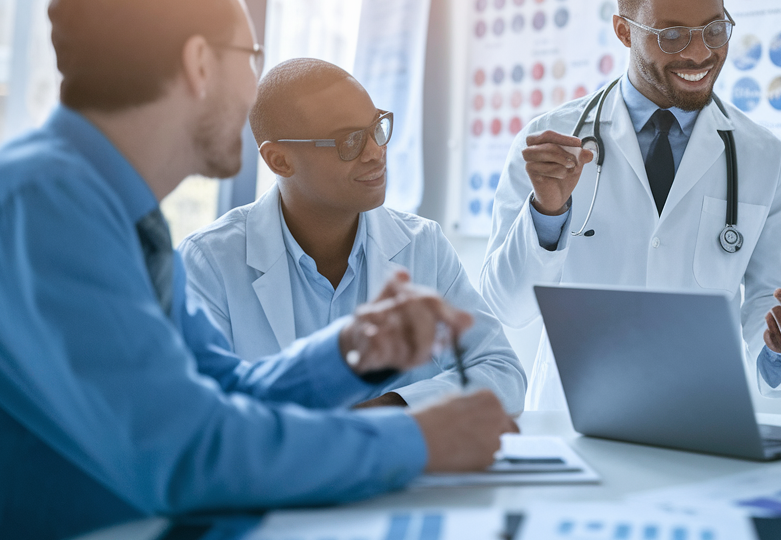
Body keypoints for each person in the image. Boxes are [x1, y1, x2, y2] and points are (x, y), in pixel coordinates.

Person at [0, 0, 516, 540]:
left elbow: (220, 387)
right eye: (250, 58)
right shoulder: (40, 204)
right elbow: (188, 449)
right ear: (198, 63)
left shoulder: (116, 209)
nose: (254, 89)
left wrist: (351, 353)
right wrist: (416, 443)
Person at [482, 0, 781, 409]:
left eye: (715, 29)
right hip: (575, 414)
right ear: (624, 31)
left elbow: (771, 302)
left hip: (699, 417)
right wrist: (547, 213)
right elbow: (506, 307)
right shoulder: (549, 141)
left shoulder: (766, 156)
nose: (700, 53)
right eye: (672, 36)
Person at [180, 58, 526, 413]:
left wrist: (390, 407)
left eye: (377, 128)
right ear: (279, 160)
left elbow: (502, 372)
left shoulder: (423, 245)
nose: (376, 152)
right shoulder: (209, 262)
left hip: (402, 467)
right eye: (349, 141)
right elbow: (203, 411)